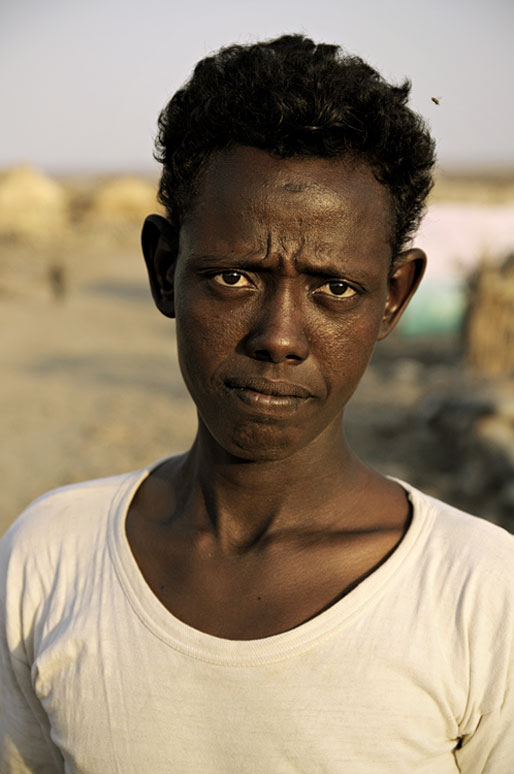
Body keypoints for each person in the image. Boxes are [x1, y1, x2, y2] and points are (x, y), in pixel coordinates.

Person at [1, 35, 513, 773]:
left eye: (333, 288)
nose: (278, 338)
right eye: (235, 278)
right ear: (164, 269)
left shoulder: (481, 597)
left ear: (393, 298)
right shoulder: (49, 560)